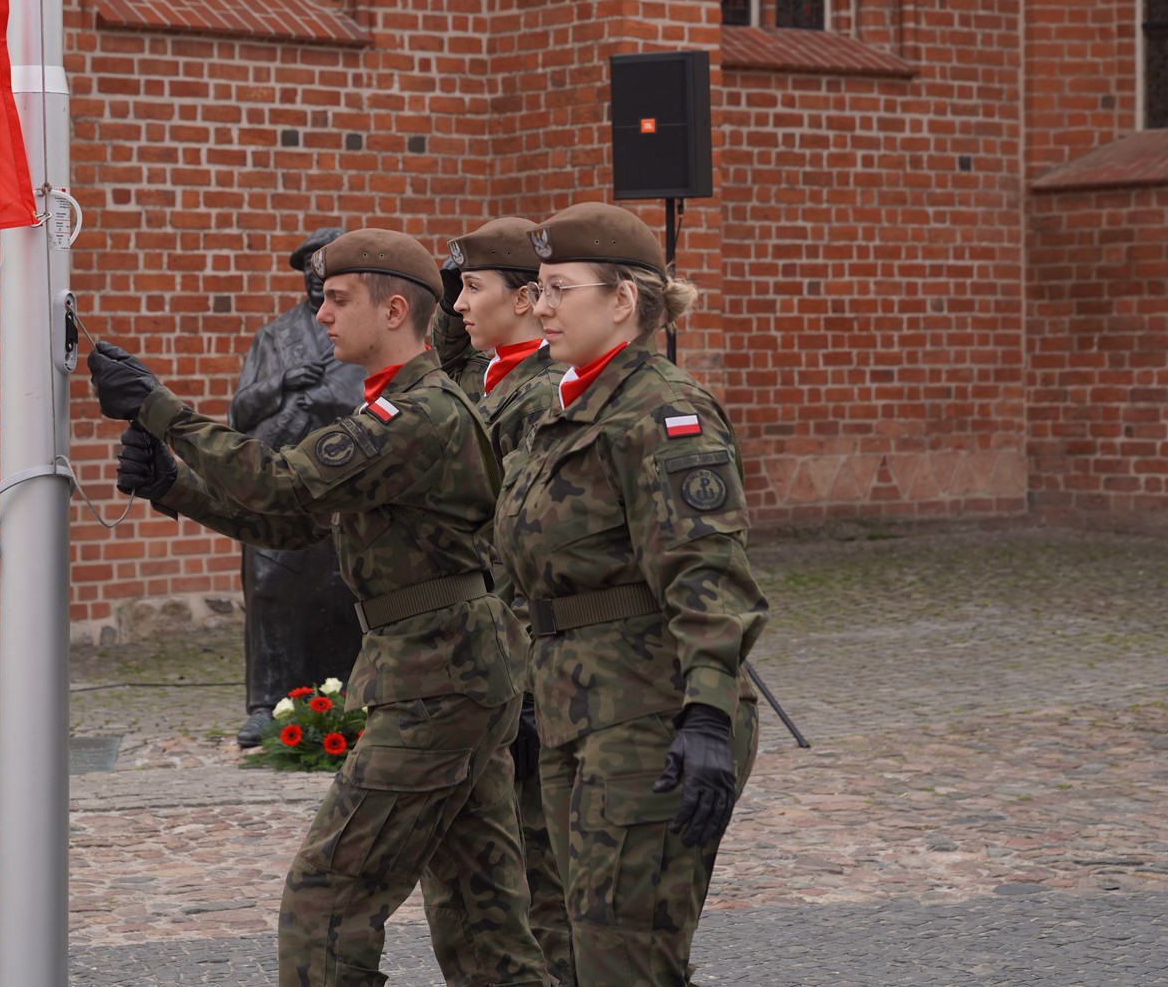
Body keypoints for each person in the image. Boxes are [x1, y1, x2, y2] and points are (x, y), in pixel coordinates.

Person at [89, 228, 547, 987]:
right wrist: (173, 486)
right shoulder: (397, 405)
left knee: (327, 897)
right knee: (483, 920)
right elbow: (298, 525)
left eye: (337, 299)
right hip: (450, 675)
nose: (321, 315)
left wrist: (160, 409)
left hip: (437, 681)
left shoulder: (418, 414)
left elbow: (284, 482)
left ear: (393, 310)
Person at [493, 202, 767, 987]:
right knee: (585, 949)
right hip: (574, 707)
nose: (541, 306)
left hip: (651, 713)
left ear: (622, 299)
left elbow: (708, 573)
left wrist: (707, 714)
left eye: (559, 288)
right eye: (538, 288)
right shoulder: (564, 406)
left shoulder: (664, 410)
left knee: (627, 955)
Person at [431, 216, 574, 985]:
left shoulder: (541, 394)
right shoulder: (491, 379)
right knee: (503, 871)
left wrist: (520, 686)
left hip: (527, 664)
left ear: (524, 299)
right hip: (486, 658)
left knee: (543, 877)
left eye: (472, 288)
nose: (457, 304)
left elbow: (525, 551)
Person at [229, 227, 367, 748]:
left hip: (343, 480)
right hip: (281, 481)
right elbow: (241, 412)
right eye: (310, 270)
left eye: (326, 271)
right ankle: (266, 703)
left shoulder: (362, 331)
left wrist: (324, 400)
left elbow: (375, 399)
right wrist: (284, 383)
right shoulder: (275, 336)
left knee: (342, 588)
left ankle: (345, 698)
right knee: (268, 586)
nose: (316, 279)